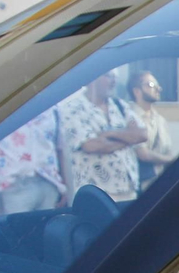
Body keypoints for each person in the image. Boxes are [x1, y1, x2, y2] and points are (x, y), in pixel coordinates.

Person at [57, 70, 147, 202]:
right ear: (92, 80)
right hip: (95, 195)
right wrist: (128, 138)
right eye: (108, 76)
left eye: (115, 77)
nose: (114, 81)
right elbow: (92, 145)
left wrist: (109, 134)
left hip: (129, 191)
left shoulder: (120, 106)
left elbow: (142, 134)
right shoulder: (72, 109)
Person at [0, 108, 65, 214]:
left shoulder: (51, 107)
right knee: (17, 229)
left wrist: (64, 188)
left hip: (49, 183)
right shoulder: (1, 108)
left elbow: (59, 148)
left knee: (49, 229)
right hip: (14, 186)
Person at [125, 69, 175, 188]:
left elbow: (167, 150)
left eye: (157, 85)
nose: (158, 89)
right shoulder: (128, 117)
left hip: (160, 185)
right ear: (137, 91)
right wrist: (171, 160)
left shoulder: (160, 120)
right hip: (136, 188)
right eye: (151, 85)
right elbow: (142, 154)